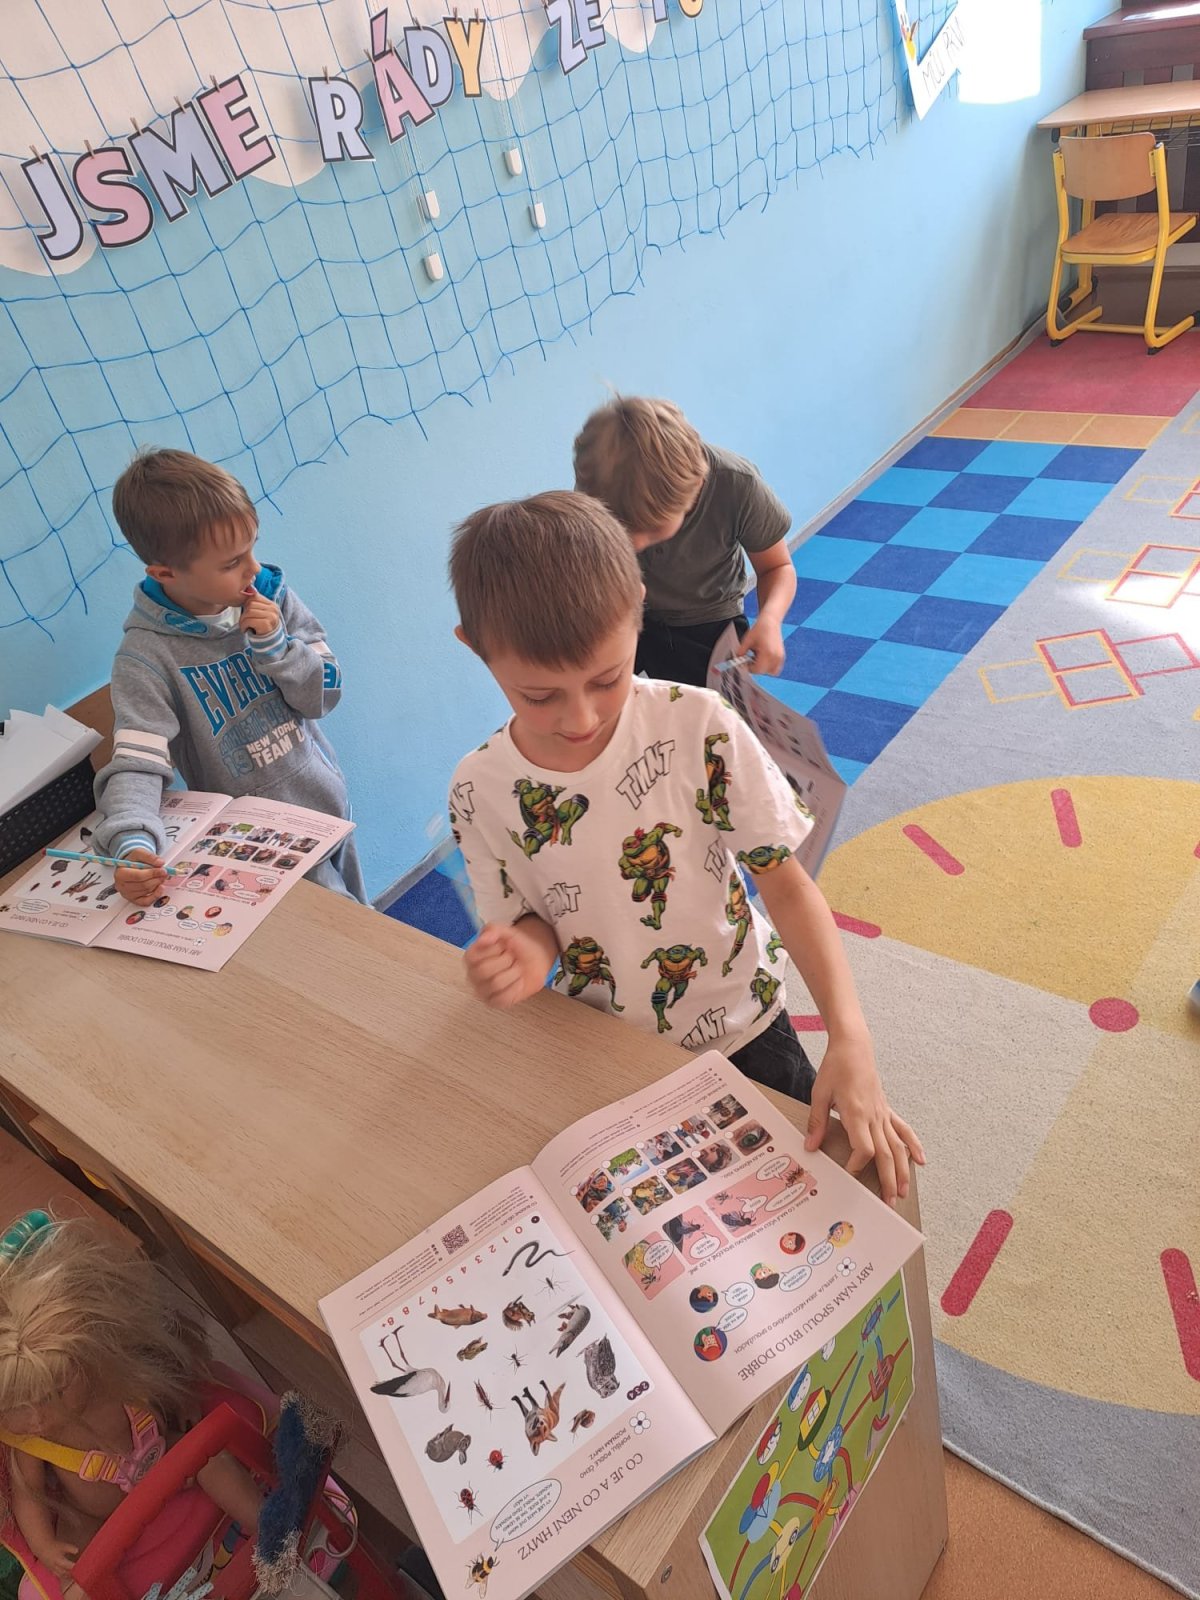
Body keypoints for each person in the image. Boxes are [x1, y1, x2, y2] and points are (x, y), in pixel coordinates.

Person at [447, 492, 922, 1205]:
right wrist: (526, 954)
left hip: (743, 1026)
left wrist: (850, 1037)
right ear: (474, 648)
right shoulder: (478, 787)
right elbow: (531, 922)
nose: (580, 717)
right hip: (603, 1050)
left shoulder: (697, 723)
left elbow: (785, 884)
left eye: (606, 679)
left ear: (637, 607)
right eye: (539, 696)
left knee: (827, 1199)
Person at [92, 449, 365, 904]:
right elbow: (137, 765)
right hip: (261, 847)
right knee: (344, 939)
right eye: (231, 563)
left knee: (367, 922)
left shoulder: (273, 596)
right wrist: (131, 842)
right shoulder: (145, 659)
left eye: (252, 548)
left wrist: (279, 650)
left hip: (329, 807)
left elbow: (325, 695)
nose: (253, 568)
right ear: (165, 573)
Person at [0, 1212, 262, 1599]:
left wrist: (185, 1399)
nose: (36, 1417)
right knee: (76, 1581)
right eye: (17, 1407)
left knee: (213, 1459)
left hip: (166, 1461)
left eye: (54, 1393)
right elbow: (29, 1498)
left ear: (85, 1359)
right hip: (98, 1517)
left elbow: (164, 1378)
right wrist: (46, 1547)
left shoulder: (111, 1377)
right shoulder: (33, 1441)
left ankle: (272, 1536)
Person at [573, 396, 797, 686]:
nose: (634, 547)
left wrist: (770, 620)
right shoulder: (602, 485)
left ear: (694, 488)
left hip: (708, 625)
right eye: (620, 530)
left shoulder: (737, 484)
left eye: (652, 531)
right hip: (629, 616)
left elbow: (777, 567)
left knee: (715, 711)